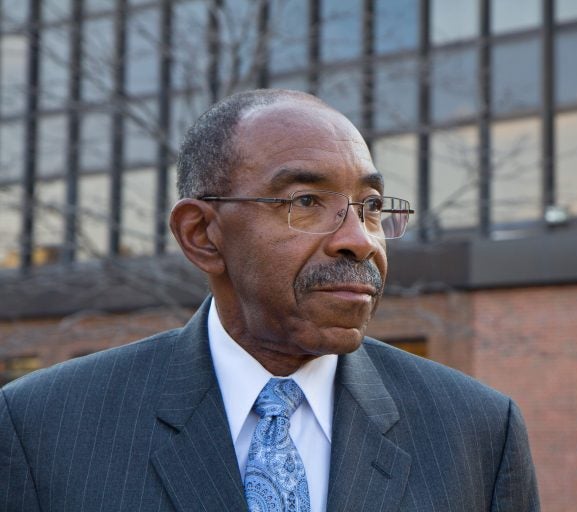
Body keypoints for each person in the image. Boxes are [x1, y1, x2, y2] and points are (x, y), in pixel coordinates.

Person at [0, 89, 539, 511]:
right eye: (306, 201)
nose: (360, 239)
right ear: (202, 235)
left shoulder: (478, 432)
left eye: (371, 206)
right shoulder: (44, 426)